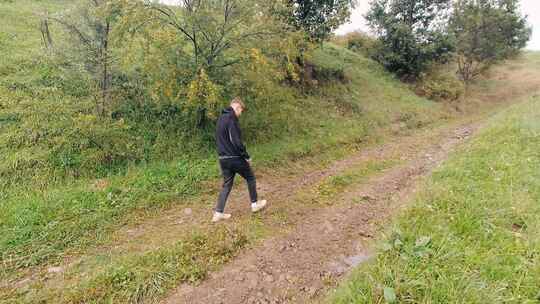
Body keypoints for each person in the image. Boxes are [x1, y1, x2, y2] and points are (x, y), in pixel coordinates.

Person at [213, 97, 267, 222]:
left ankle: (218, 213)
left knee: (227, 184)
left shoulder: (221, 119)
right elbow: (235, 141)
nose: (240, 114)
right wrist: (246, 156)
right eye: (240, 111)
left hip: (223, 158)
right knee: (250, 177)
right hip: (234, 158)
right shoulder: (231, 118)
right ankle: (255, 204)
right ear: (237, 107)